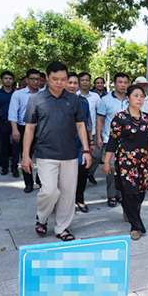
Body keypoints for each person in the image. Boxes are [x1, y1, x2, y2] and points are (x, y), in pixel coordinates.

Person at [22, 61, 91, 242]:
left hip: (70, 154)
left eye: (63, 79)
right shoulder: (36, 100)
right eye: (55, 79)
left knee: (68, 194)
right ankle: (42, 216)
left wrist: (86, 150)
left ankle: (61, 228)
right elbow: (29, 128)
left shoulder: (74, 100)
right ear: (47, 78)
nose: (59, 83)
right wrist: (25, 155)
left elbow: (80, 125)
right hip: (46, 153)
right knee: (50, 191)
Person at [103, 85, 148, 240]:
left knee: (141, 192)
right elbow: (112, 141)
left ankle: (127, 209)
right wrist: (107, 162)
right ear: (128, 98)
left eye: (141, 96)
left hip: (143, 161)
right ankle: (136, 226)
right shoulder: (119, 118)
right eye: (135, 96)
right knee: (130, 192)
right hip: (125, 161)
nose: (139, 99)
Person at [91, 72, 130, 206]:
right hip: (110, 140)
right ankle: (112, 195)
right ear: (114, 83)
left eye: (125, 82)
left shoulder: (131, 99)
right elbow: (100, 119)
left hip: (128, 141)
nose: (123, 85)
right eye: (120, 82)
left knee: (124, 169)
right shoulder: (105, 100)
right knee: (112, 168)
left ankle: (121, 194)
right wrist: (99, 136)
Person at [8, 69, 42, 193]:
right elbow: (12, 114)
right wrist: (15, 130)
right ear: (27, 80)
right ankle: (28, 183)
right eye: (32, 79)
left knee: (44, 155)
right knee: (26, 155)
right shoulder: (18, 94)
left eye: (38, 79)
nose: (35, 81)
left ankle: (40, 179)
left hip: (41, 128)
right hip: (24, 128)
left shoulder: (44, 93)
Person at [66, 72, 94, 213]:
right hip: (62, 144)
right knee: (65, 177)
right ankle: (63, 202)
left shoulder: (83, 101)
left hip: (80, 143)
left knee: (82, 172)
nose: (72, 86)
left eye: (74, 83)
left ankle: (79, 198)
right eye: (69, 82)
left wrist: (90, 143)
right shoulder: (57, 101)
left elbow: (87, 123)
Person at [133, 76, 148, 192]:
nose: (143, 87)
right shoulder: (131, 97)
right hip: (133, 130)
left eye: (145, 85)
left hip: (146, 130)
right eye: (141, 84)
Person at [76, 72, 100, 150]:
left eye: (87, 80)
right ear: (79, 82)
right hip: (77, 133)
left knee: (95, 155)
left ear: (90, 82)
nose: (85, 82)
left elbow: (99, 115)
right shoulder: (75, 96)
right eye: (82, 80)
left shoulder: (95, 96)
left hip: (93, 132)